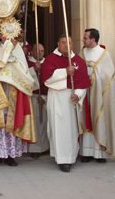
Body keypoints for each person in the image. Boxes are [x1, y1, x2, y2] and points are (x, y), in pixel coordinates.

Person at [0, 17, 36, 166]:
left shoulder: (18, 48)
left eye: (9, 33)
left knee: (11, 120)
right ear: (0, 34)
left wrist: (13, 62)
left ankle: (10, 154)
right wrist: (3, 55)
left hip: (13, 91)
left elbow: (22, 68)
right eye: (3, 33)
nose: (6, 36)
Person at [40, 35, 90, 172]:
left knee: (70, 129)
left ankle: (70, 157)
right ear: (58, 44)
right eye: (63, 42)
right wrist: (64, 72)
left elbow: (84, 82)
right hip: (56, 97)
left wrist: (78, 94)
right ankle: (61, 159)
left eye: (69, 42)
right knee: (58, 129)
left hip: (71, 99)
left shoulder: (78, 61)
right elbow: (47, 79)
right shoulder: (50, 59)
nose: (66, 45)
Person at [79, 28, 115, 162]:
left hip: (99, 94)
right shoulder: (82, 52)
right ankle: (86, 152)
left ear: (93, 39)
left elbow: (108, 76)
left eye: (86, 38)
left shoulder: (103, 54)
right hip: (85, 93)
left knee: (99, 119)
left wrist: (93, 78)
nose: (83, 39)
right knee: (86, 118)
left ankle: (99, 153)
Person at [27, 43, 49, 156]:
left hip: (46, 97)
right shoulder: (27, 62)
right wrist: (33, 69)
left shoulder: (48, 62)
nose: (40, 52)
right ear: (32, 51)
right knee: (35, 124)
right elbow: (23, 76)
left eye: (42, 50)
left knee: (45, 123)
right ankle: (34, 149)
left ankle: (46, 147)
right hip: (33, 97)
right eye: (37, 50)